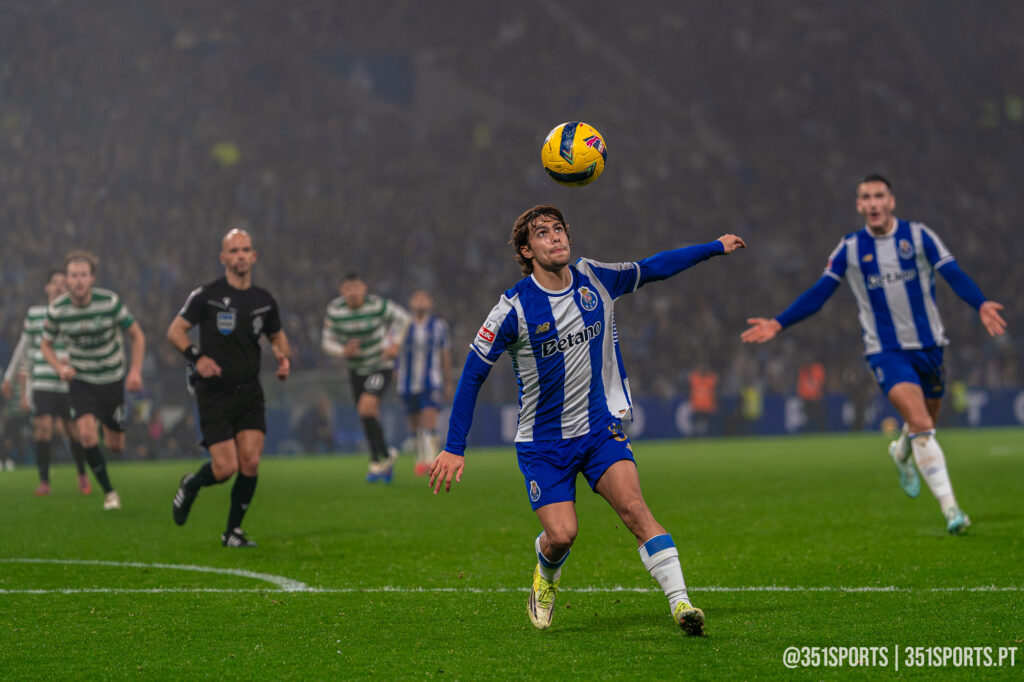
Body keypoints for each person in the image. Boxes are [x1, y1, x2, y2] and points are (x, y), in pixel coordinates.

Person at [429, 204, 746, 635]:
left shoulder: (594, 279)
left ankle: (682, 604)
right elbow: (471, 375)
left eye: (559, 229)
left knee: (636, 510)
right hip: (543, 444)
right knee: (562, 535)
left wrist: (713, 247)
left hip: (598, 430)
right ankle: (545, 575)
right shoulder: (512, 310)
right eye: (542, 233)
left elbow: (654, 267)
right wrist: (454, 446)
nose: (555, 237)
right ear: (526, 250)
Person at [741, 174, 1007, 534]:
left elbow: (953, 273)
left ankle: (901, 452)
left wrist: (980, 304)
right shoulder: (850, 249)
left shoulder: (919, 236)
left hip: (930, 347)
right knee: (923, 426)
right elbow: (820, 293)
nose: (873, 203)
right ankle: (952, 511)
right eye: (866, 197)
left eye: (879, 195)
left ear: (891, 201)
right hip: (886, 351)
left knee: (924, 425)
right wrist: (778, 323)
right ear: (859, 205)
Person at [168, 228, 291, 548]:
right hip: (214, 392)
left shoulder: (264, 300)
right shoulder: (206, 295)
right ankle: (192, 484)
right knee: (225, 469)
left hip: (249, 391)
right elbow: (176, 331)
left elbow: (277, 336)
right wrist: (197, 357)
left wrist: (282, 357)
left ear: (254, 256)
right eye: (234, 251)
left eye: (245, 250)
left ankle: (232, 531)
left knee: (250, 462)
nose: (240, 256)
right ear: (223, 258)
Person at [41, 251, 146, 511]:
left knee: (115, 445)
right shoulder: (58, 310)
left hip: (112, 379)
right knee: (86, 435)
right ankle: (109, 492)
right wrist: (59, 368)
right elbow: (46, 344)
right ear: (67, 279)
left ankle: (100, 424)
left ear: (92, 278)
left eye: (83, 275)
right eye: (73, 275)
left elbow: (137, 335)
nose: (78, 280)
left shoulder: (109, 302)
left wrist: (135, 371)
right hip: (81, 379)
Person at [2, 271, 91, 496]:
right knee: (42, 430)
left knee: (73, 432)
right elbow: (23, 347)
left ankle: (82, 474)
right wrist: (9, 377)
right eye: (55, 283)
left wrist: (74, 362)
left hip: (67, 383)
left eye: (63, 284)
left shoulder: (74, 314)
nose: (59, 287)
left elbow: (84, 346)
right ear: (47, 287)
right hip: (42, 381)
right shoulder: (35, 315)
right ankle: (44, 481)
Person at [322, 272, 410, 482]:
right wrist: (343, 351)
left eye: (357, 287)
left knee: (366, 407)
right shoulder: (334, 310)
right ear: (342, 290)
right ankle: (383, 459)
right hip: (355, 369)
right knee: (367, 415)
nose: (354, 292)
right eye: (349, 288)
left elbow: (404, 318)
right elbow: (327, 342)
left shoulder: (376, 305)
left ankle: (376, 460)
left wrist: (395, 343)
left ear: (364, 288)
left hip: (380, 365)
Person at [396, 290, 453, 476]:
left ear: (430, 303)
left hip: (431, 381)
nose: (421, 301)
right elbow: (393, 351)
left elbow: (445, 354)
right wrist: (395, 375)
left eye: (424, 298)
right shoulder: (402, 325)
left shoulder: (439, 326)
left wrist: (448, 381)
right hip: (406, 383)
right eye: (417, 298)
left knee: (429, 416)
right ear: (410, 302)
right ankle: (419, 459)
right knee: (413, 423)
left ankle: (430, 460)